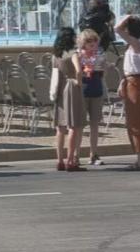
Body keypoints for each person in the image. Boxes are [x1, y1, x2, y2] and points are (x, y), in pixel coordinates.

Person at [115, 15, 140, 170]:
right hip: (135, 82)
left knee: (135, 123)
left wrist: (127, 17)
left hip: (134, 83)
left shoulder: (136, 43)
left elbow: (117, 29)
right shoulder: (139, 44)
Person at [51, 28, 85, 171]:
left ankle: (59, 160)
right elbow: (78, 71)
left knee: (60, 127)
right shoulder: (73, 54)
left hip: (59, 88)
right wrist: (79, 82)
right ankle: (70, 160)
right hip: (71, 87)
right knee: (74, 126)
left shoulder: (56, 55)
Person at [75, 29, 104, 166]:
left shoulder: (99, 56)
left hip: (96, 90)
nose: (93, 45)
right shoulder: (79, 56)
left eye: (94, 42)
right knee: (79, 125)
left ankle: (94, 154)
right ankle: (76, 154)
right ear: (83, 43)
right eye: (89, 42)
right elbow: (76, 73)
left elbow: (103, 73)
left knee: (95, 125)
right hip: (82, 92)